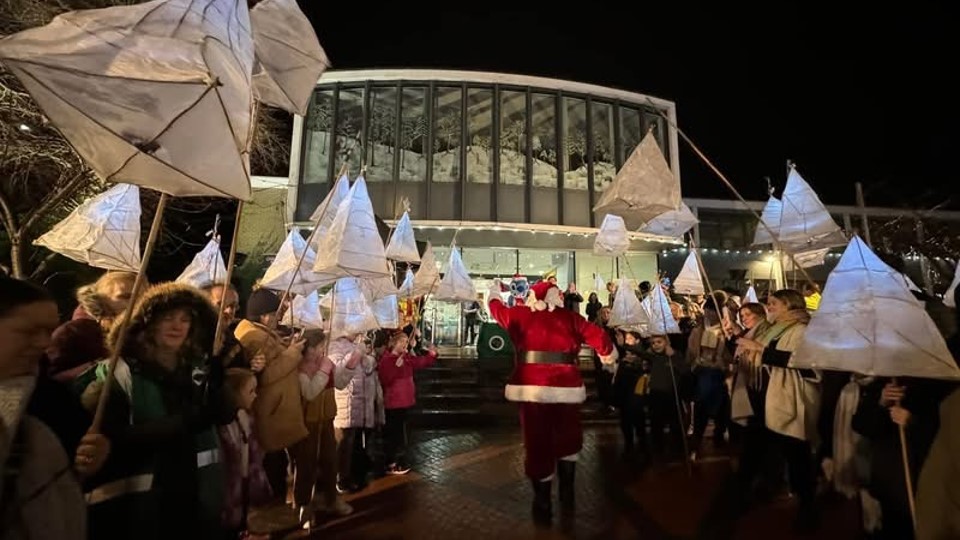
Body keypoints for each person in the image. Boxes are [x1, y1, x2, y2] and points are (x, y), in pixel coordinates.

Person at [486, 278, 616, 522]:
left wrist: (495, 289)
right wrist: (608, 357)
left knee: (537, 440)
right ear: (556, 296)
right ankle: (567, 493)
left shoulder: (518, 315)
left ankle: (542, 500)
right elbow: (598, 336)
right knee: (568, 435)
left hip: (530, 387)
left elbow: (494, 307)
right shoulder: (570, 318)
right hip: (566, 386)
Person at [0, 277, 110, 540]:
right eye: (28, 331)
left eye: (48, 331)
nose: (43, 343)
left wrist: (95, 457)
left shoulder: (53, 400)